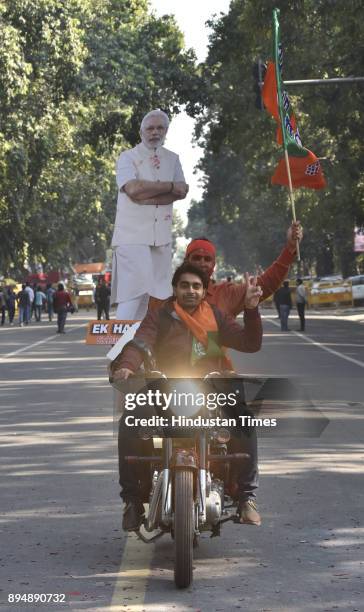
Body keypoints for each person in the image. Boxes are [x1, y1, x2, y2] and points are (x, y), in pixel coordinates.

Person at [112, 263, 263, 531]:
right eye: (184, 285)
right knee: (131, 421)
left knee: (244, 419)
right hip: (165, 388)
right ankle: (132, 501)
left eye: (196, 286)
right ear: (175, 289)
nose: (190, 291)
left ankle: (246, 497)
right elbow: (141, 343)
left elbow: (251, 343)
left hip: (211, 387)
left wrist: (251, 310)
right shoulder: (160, 316)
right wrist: (127, 366)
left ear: (204, 291)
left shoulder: (217, 317)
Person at [111, 109, 189, 321]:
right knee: (132, 295)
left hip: (161, 237)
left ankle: (136, 348)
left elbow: (181, 191)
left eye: (160, 128)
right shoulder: (127, 157)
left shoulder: (173, 159)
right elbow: (134, 189)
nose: (155, 132)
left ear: (166, 130)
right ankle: (118, 348)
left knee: (152, 299)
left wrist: (150, 193)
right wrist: (168, 188)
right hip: (132, 237)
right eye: (150, 128)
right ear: (141, 131)